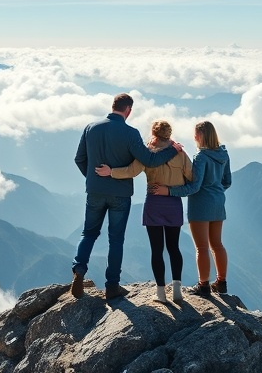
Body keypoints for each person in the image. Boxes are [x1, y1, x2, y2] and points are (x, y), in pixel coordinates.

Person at [72, 93, 181, 301]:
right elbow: (149, 159)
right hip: (120, 194)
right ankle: (112, 286)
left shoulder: (90, 128)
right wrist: (172, 151)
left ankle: (79, 268)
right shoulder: (130, 133)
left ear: (113, 106)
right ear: (128, 110)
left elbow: (79, 159)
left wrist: (93, 179)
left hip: (95, 191)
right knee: (116, 240)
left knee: (89, 233)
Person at [96, 120, 193, 304]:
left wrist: (110, 172)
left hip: (154, 203)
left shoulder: (147, 153)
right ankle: (178, 289)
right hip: (173, 203)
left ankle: (161, 293)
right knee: (174, 247)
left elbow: (130, 171)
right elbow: (192, 177)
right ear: (169, 134)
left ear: (154, 134)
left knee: (156, 250)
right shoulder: (181, 154)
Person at [152, 121, 231, 297]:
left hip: (200, 206)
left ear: (201, 135)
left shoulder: (201, 157)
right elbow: (227, 182)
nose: (194, 137)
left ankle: (203, 286)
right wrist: (215, 193)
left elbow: (194, 187)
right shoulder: (223, 155)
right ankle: (221, 282)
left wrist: (169, 191)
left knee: (202, 247)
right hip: (218, 203)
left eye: (196, 134)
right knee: (217, 244)